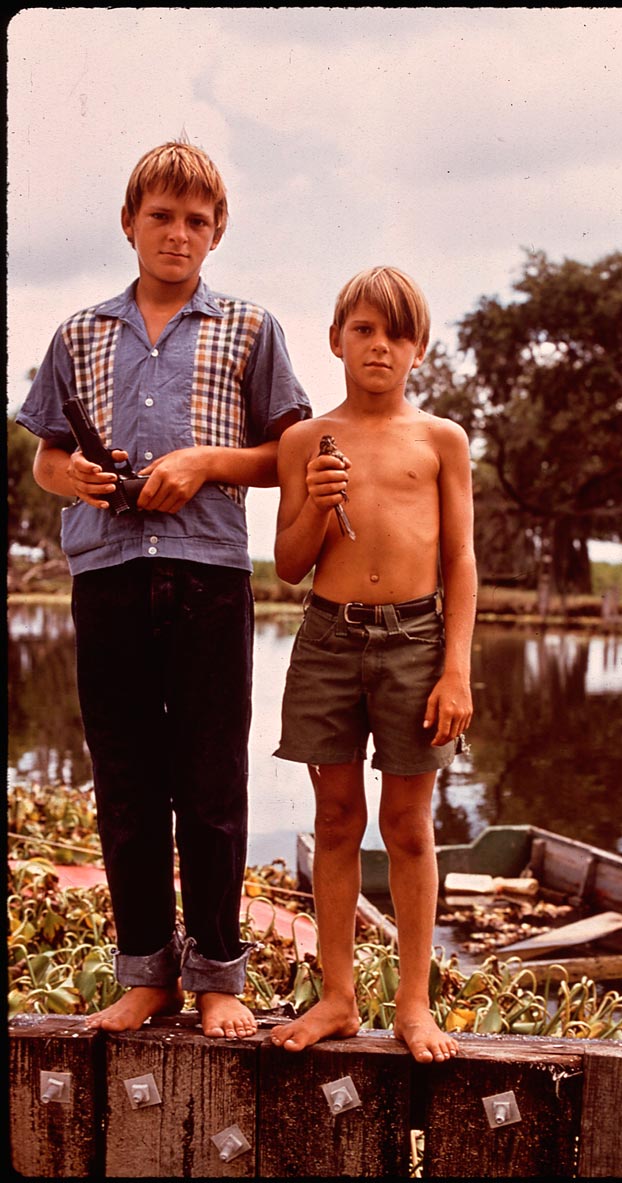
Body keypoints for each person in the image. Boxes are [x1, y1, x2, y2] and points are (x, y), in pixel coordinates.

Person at [16, 139, 312, 1038]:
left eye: (195, 220)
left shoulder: (251, 329)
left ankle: (220, 975)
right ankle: (145, 972)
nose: (177, 234)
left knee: (213, 778)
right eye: (162, 217)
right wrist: (68, 478)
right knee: (127, 780)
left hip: (209, 575)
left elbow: (287, 452)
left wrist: (205, 463)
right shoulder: (78, 333)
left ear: (216, 232)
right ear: (129, 224)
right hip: (106, 576)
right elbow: (44, 455)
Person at [271, 265, 477, 1063]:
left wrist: (454, 666)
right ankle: (337, 996)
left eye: (396, 333)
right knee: (333, 819)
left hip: (417, 641)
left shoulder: (441, 440)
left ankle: (415, 1004)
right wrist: (319, 500)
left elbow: (460, 559)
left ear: (418, 349)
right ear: (336, 341)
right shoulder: (304, 441)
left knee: (408, 826)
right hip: (327, 637)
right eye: (363, 330)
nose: (379, 346)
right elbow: (289, 563)